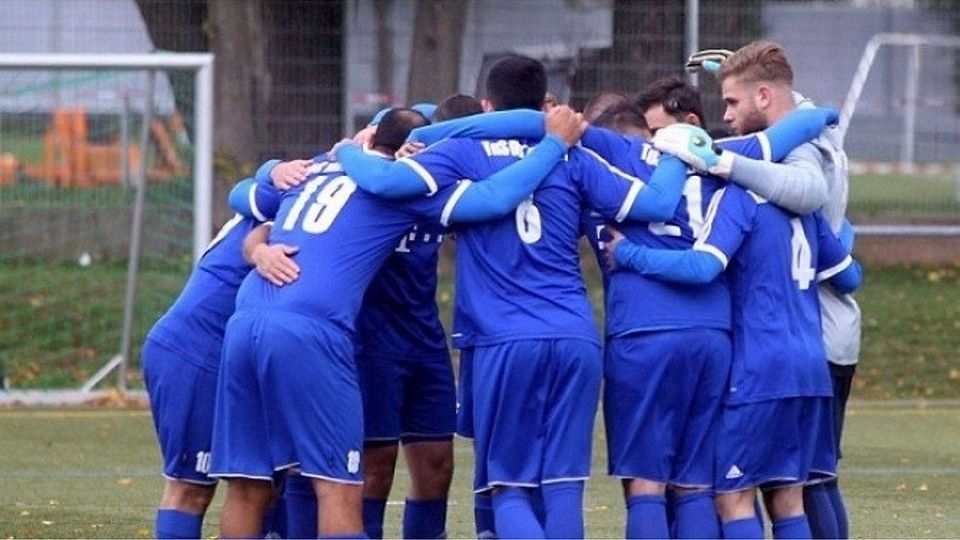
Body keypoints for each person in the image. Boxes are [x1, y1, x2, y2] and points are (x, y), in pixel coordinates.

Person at [333, 54, 699, 539]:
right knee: (563, 488)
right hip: (574, 337)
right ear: (544, 100)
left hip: (505, 341)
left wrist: (347, 150)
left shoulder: (460, 153)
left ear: (486, 103)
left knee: (510, 489)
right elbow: (657, 203)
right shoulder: (572, 152)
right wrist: (680, 152)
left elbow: (385, 181)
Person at [208, 105, 585, 539]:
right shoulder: (402, 188)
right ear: (414, 149)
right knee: (339, 488)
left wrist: (262, 222)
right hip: (312, 328)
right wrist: (555, 141)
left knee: (247, 488)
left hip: (247, 320)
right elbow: (495, 198)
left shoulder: (320, 168)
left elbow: (248, 201)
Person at [683, 39, 860, 540]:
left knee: (791, 488)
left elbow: (808, 190)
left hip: (800, 332)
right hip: (813, 334)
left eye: (733, 102)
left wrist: (722, 162)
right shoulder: (805, 130)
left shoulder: (795, 150)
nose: (726, 114)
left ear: (763, 97)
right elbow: (847, 269)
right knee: (794, 488)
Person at [141, 170, 282, 539]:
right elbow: (248, 189)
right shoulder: (290, 199)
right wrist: (272, 171)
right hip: (194, 351)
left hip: (238, 357)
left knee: (262, 483)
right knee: (192, 487)